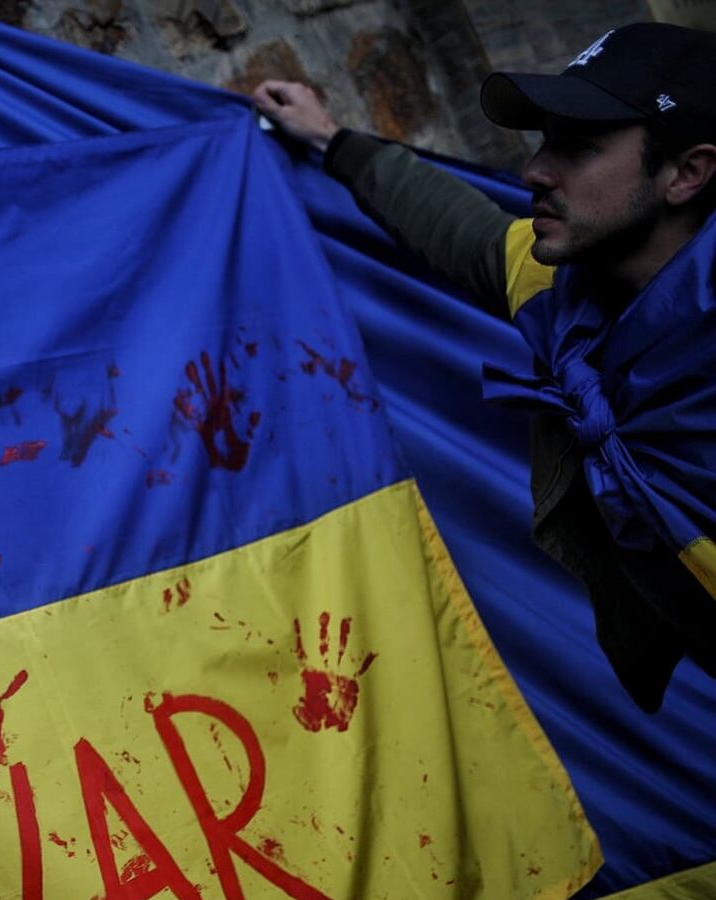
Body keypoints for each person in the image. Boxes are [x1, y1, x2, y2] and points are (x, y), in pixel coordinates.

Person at [252, 22, 716, 711]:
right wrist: (329, 140)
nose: (532, 171)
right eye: (542, 142)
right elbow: (456, 225)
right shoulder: (561, 291)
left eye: (577, 147)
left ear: (685, 173)